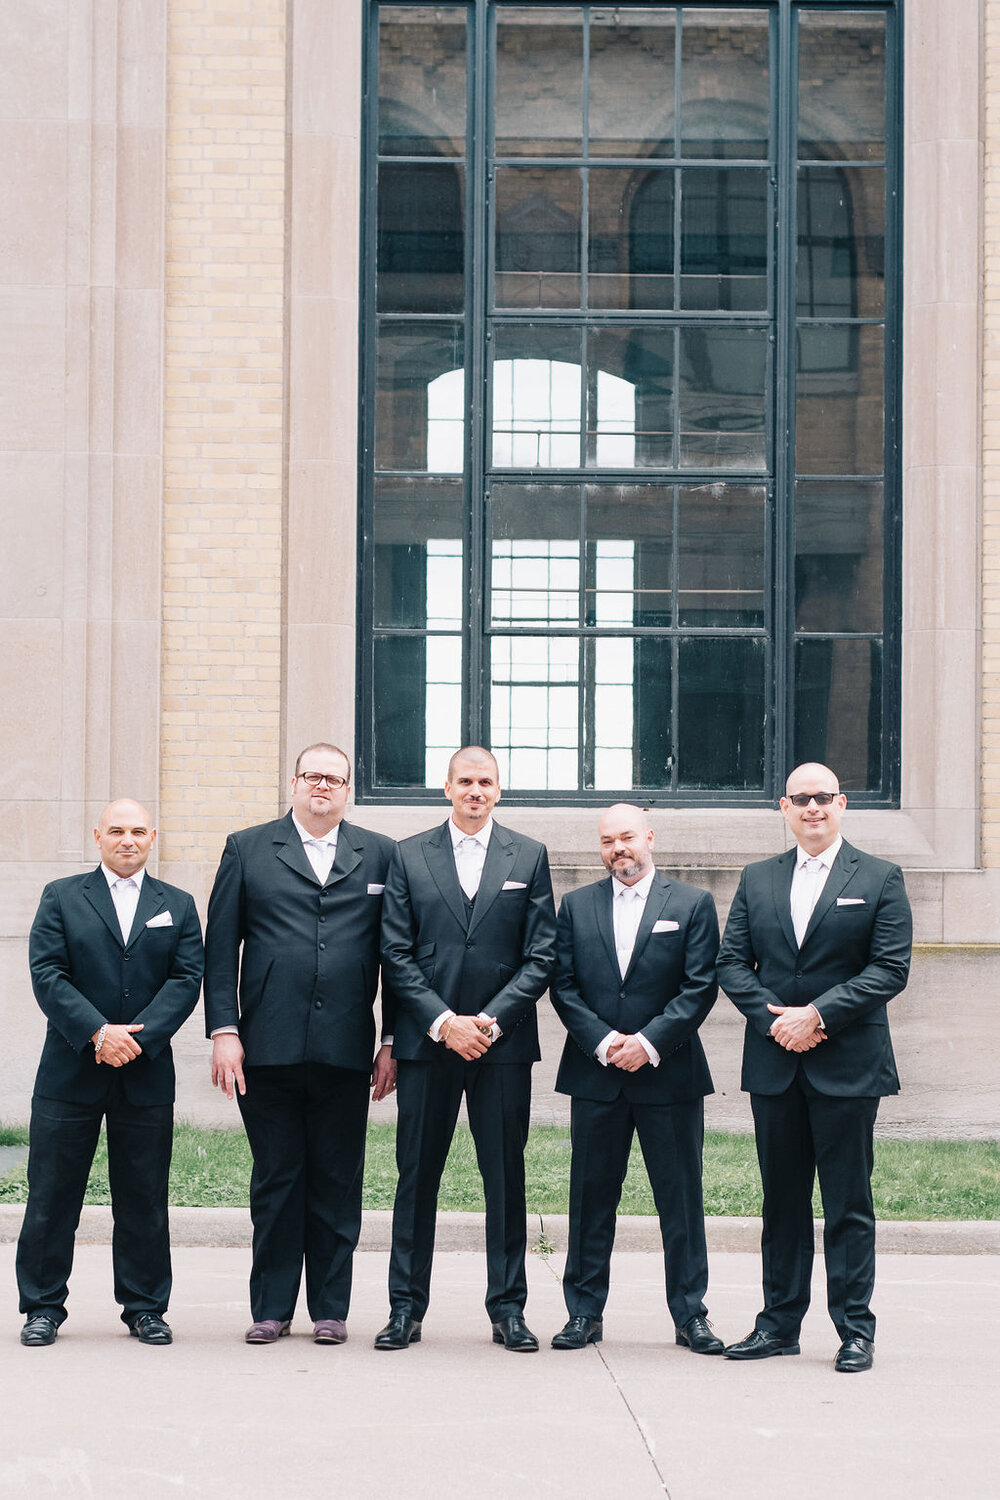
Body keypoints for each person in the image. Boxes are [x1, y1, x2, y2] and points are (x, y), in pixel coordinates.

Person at [717, 762, 912, 1373]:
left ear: (842, 803)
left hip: (847, 1064)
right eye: (800, 799)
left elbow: (889, 969)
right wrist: (775, 1020)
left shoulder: (880, 877)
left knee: (848, 1201)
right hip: (775, 1063)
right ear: (783, 807)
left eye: (823, 797)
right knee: (781, 1200)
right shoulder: (758, 878)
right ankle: (778, 1324)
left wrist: (818, 1017)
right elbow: (731, 962)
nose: (812, 808)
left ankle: (855, 1329)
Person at [204, 743, 396, 1345]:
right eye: (312, 776)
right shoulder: (247, 847)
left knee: (338, 1180)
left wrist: (391, 1038)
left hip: (346, 1049)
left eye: (334, 780)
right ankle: (271, 1308)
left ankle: (330, 1310)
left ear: (347, 790)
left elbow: (398, 954)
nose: (322, 787)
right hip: (265, 1045)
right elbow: (220, 947)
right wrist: (225, 1030)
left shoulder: (381, 854)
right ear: (293, 783)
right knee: (278, 1178)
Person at [376, 746, 556, 1352]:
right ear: (446, 788)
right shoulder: (409, 855)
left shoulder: (528, 856)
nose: (475, 791)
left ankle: (508, 1309)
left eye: (486, 782)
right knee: (415, 1177)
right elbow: (395, 955)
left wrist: (492, 1020)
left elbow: (541, 956)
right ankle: (406, 1309)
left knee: (505, 1177)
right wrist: (442, 1022)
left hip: (501, 1047)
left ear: (499, 790)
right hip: (429, 1046)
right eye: (465, 782)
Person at [17, 799, 203, 1347]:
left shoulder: (180, 904)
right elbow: (47, 973)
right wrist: (100, 1033)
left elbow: (186, 978)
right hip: (70, 1071)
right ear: (97, 835)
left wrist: (134, 1037)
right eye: (117, 830)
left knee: (143, 1195)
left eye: (138, 831)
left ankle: (145, 1306)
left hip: (144, 1073)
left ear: (153, 838)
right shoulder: (62, 897)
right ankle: (43, 1306)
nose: (128, 839)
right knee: (52, 1194)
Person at [549, 803, 722, 1352]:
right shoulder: (575, 906)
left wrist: (646, 1044)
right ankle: (583, 1312)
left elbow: (699, 987)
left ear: (648, 837)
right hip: (596, 1074)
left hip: (668, 1075)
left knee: (681, 1201)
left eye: (626, 837)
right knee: (589, 1200)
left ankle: (690, 1314)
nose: (617, 848)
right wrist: (604, 1043)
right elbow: (564, 985)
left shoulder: (692, 904)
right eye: (607, 841)